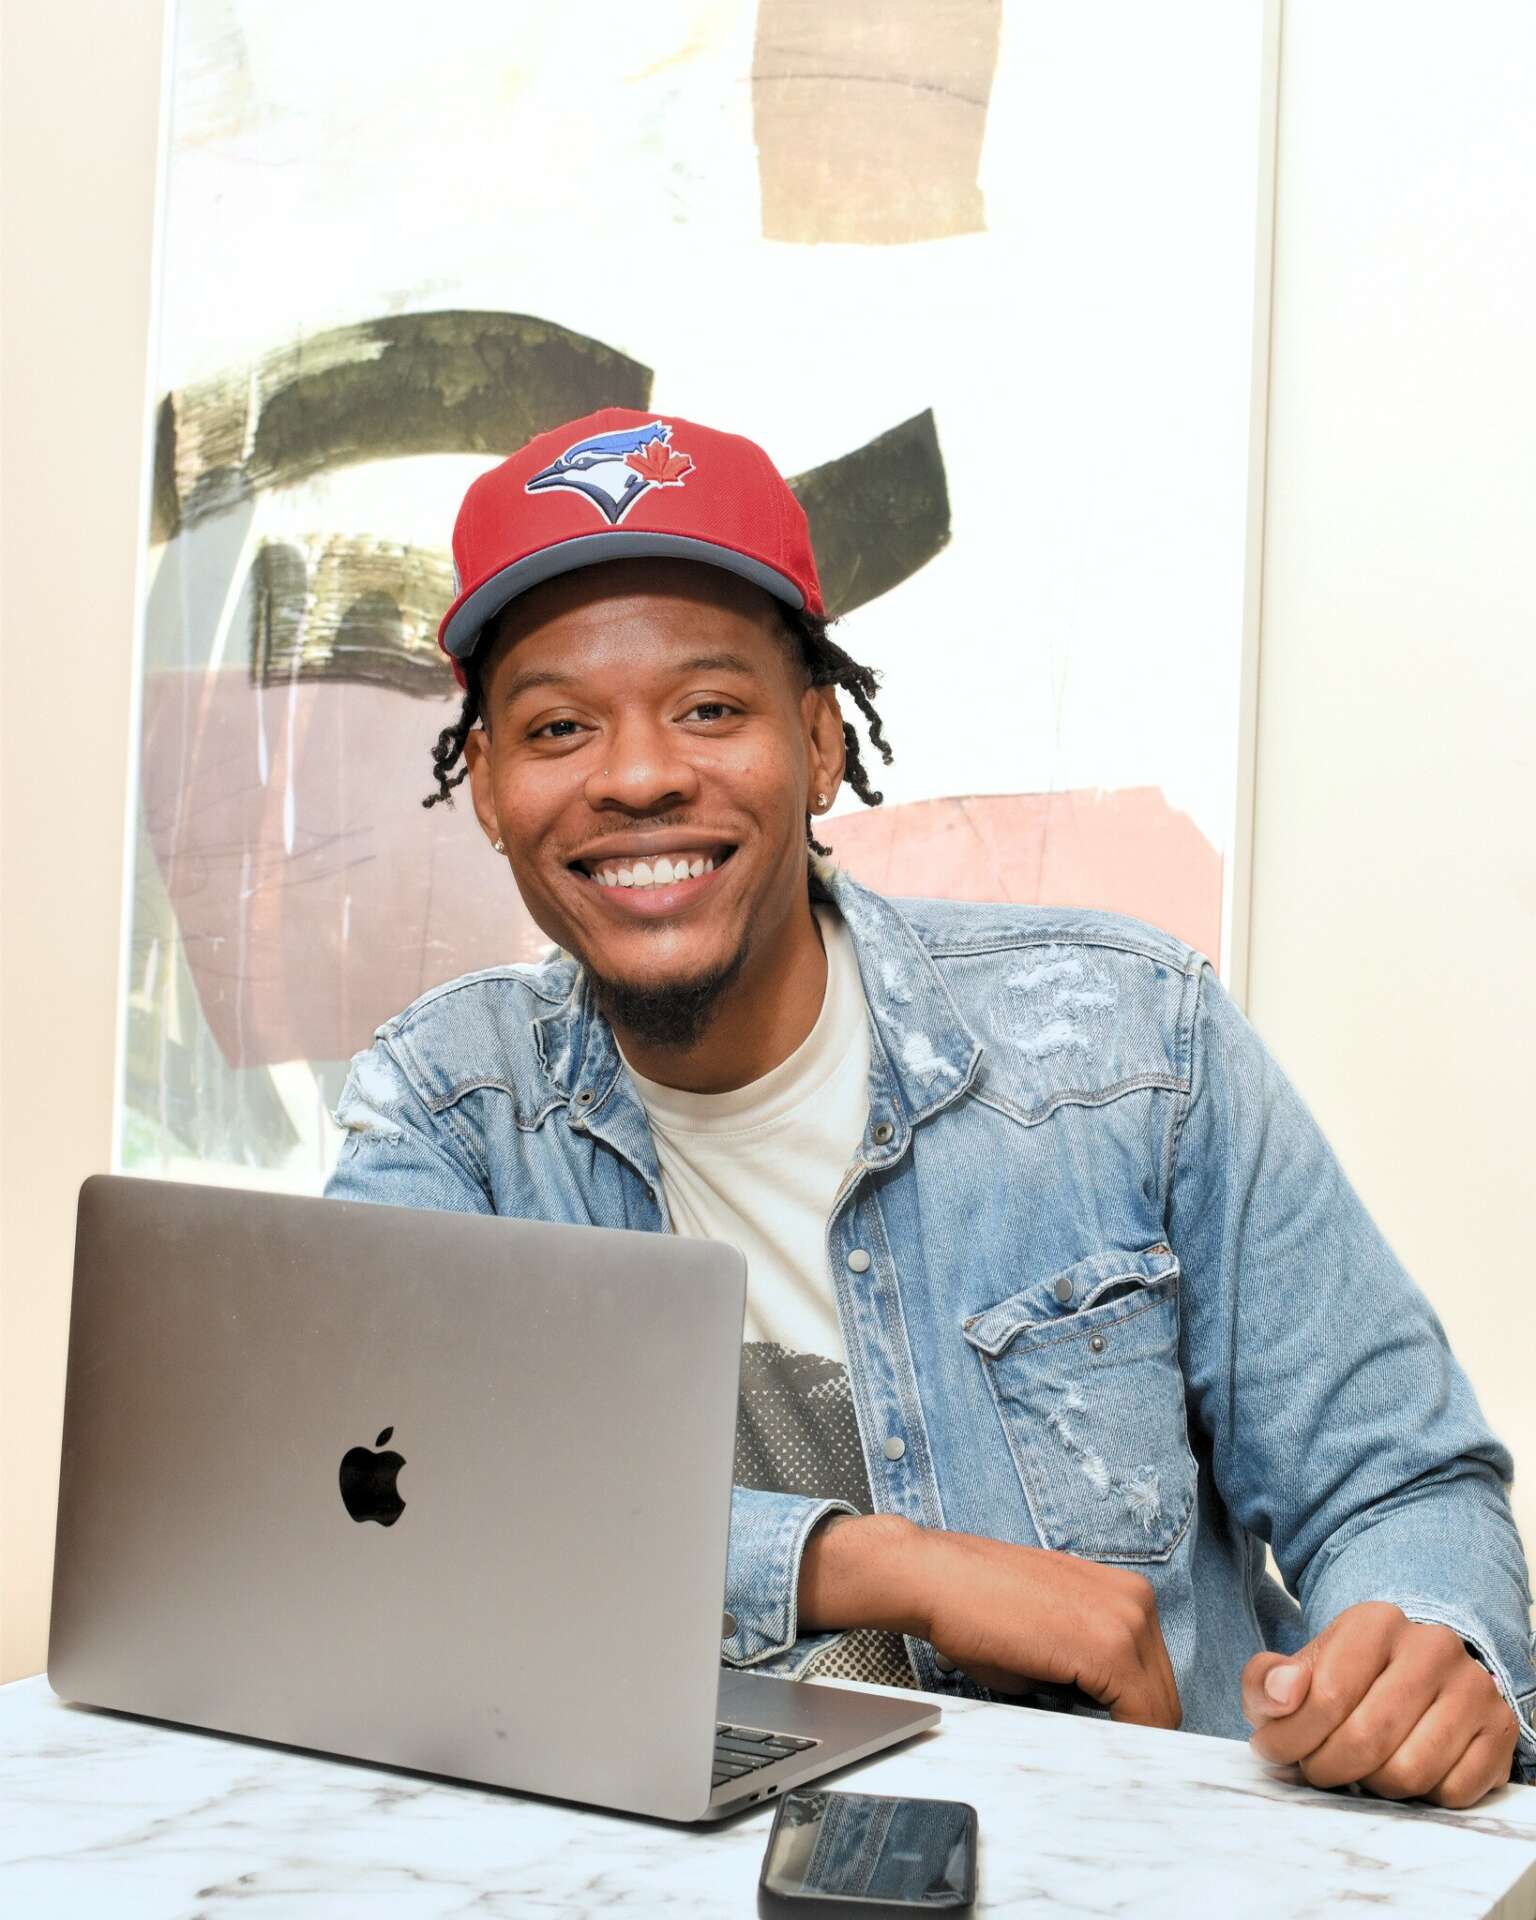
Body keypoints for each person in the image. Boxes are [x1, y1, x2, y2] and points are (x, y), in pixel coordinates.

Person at [325, 408, 1535, 1806]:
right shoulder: (447, 1109)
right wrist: (882, 1569)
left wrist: (1429, 1649)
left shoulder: (1132, 1041)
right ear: (486, 786)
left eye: (710, 709)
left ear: (820, 743)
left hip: (1131, 1864)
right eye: (557, 727)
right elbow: (391, 1511)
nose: (641, 775)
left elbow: (1397, 1488)